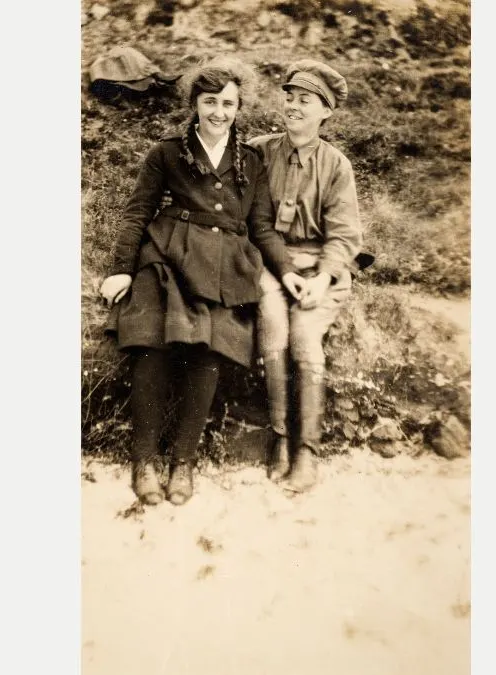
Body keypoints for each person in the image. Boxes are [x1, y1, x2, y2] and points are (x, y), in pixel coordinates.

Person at [99, 57, 303, 506]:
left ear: (239, 107)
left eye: (228, 104)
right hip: (169, 254)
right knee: (150, 342)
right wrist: (121, 268)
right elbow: (138, 212)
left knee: (209, 348)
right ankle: (143, 460)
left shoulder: (251, 160)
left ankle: (183, 463)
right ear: (195, 103)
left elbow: (261, 226)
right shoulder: (168, 152)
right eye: (210, 102)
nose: (219, 112)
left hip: (226, 266)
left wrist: (287, 270)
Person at [249, 60, 367, 493]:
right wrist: (279, 268)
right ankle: (279, 438)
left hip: (319, 266)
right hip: (269, 261)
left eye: (306, 101)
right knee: (273, 324)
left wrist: (323, 277)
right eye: (290, 98)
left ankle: (307, 450)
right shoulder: (259, 151)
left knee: (304, 335)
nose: (293, 107)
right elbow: (255, 221)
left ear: (326, 112)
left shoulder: (336, 165)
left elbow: (344, 235)